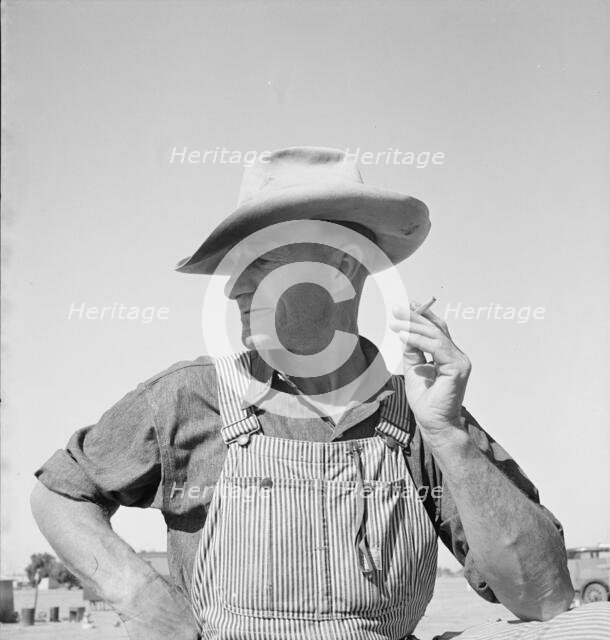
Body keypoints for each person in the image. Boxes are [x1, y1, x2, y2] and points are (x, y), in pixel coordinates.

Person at [31, 147, 608, 639]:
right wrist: (137, 592)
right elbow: (59, 494)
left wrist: (448, 437)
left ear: (344, 266)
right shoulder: (189, 396)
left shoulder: (420, 414)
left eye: (261, 261)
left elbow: (546, 601)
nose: (234, 287)